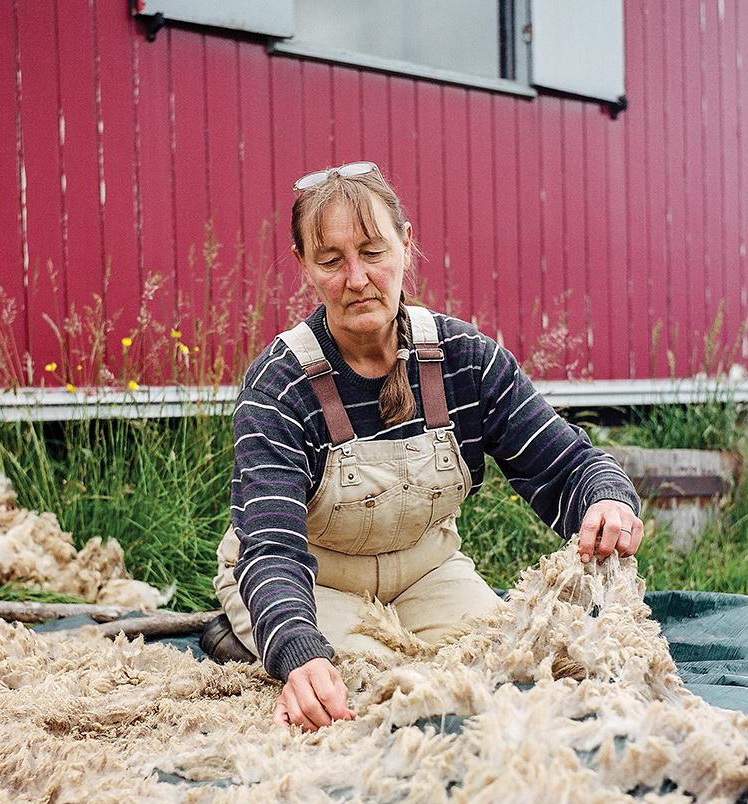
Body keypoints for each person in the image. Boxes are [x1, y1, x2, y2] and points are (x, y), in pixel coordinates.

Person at [204, 161, 644, 733]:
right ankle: (245, 636)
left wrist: (606, 500)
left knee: (506, 667)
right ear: (304, 267)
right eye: (332, 260)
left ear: (406, 245)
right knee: (373, 692)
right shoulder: (280, 386)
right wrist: (296, 648)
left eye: (373, 251)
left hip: (426, 574)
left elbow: (566, 464)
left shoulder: (466, 360)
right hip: (311, 581)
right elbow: (272, 546)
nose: (357, 279)